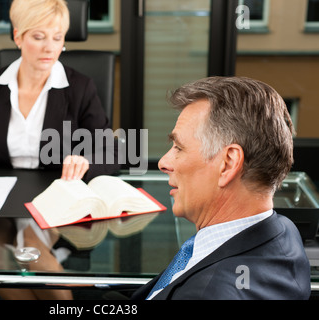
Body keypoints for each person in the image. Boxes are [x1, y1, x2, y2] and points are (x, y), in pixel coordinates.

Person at [132, 76, 311, 300]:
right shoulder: (282, 230)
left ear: (227, 164)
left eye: (179, 147)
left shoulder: (207, 293)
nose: (164, 163)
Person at [0, 0, 118, 184]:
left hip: (58, 191)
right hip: (4, 189)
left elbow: (112, 152)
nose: (49, 47)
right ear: (18, 37)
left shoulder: (80, 88)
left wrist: (86, 162)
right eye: (39, 37)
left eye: (57, 38)